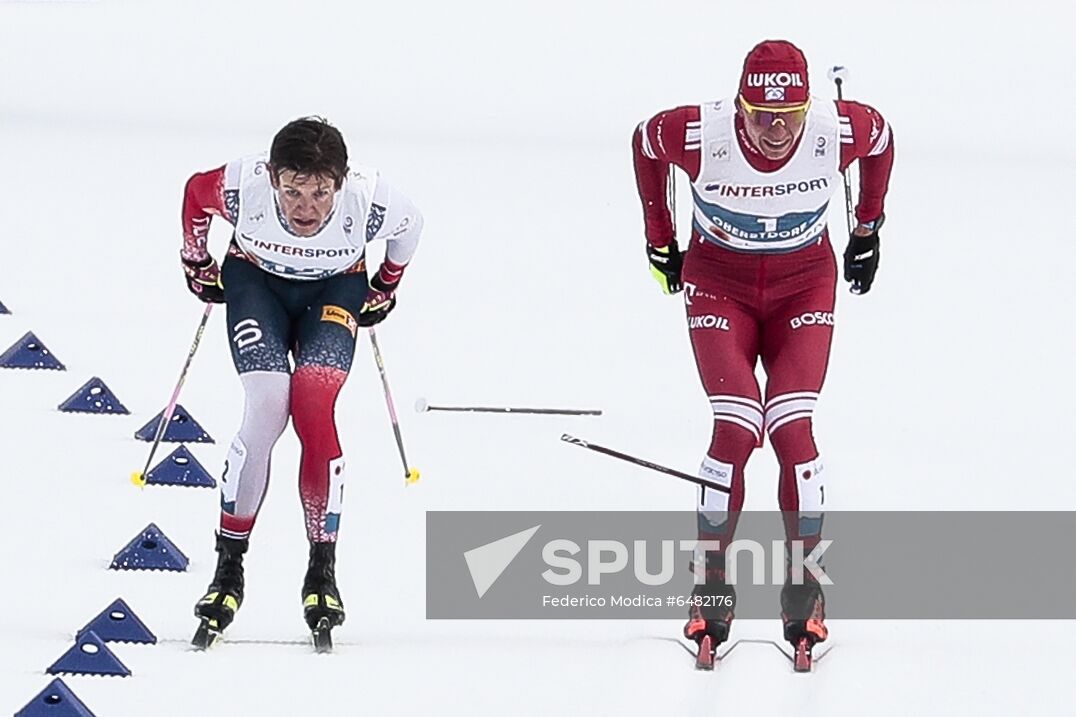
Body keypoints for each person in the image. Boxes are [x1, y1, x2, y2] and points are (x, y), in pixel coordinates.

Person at [631, 40, 894, 659]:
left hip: (804, 283)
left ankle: (806, 594)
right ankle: (710, 591)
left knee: (791, 429)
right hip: (719, 285)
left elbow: (881, 140)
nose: (777, 131)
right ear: (739, 106)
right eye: (761, 115)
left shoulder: (838, 128)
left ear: (808, 108)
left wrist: (868, 227)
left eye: (791, 116)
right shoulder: (699, 131)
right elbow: (644, 142)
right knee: (737, 425)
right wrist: (658, 238)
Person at [179, 116, 424, 642]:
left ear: (341, 182)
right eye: (291, 191)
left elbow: (411, 226)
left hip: (334, 293)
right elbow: (195, 196)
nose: (304, 208)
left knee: (313, 405)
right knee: (268, 405)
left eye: (319, 193)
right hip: (255, 288)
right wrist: (195, 260)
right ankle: (229, 567)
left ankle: (321, 569)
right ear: (272, 178)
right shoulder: (241, 185)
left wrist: (385, 284)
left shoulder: (372, 200)